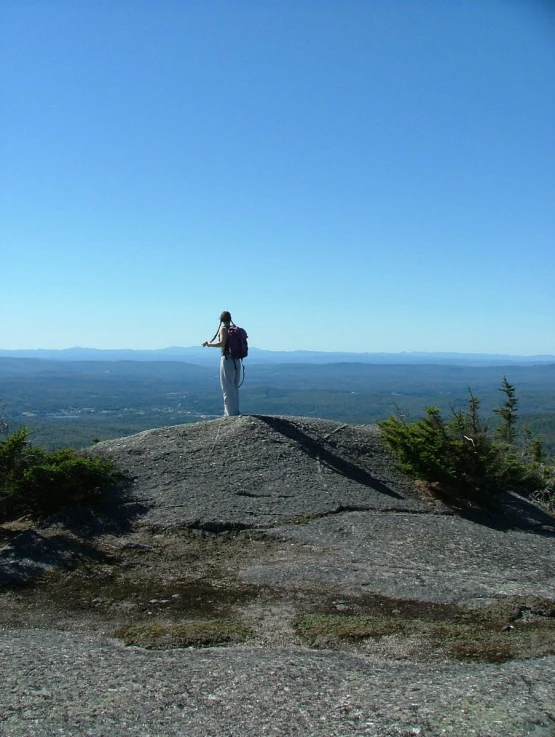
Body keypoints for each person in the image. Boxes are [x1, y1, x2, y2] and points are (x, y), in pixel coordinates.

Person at [203, 311, 241, 417]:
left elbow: (222, 343)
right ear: (230, 318)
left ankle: (230, 413)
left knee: (227, 386)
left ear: (221, 319)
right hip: (237, 360)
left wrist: (209, 344)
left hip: (227, 360)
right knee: (234, 386)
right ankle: (236, 411)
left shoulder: (223, 329)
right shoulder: (236, 330)